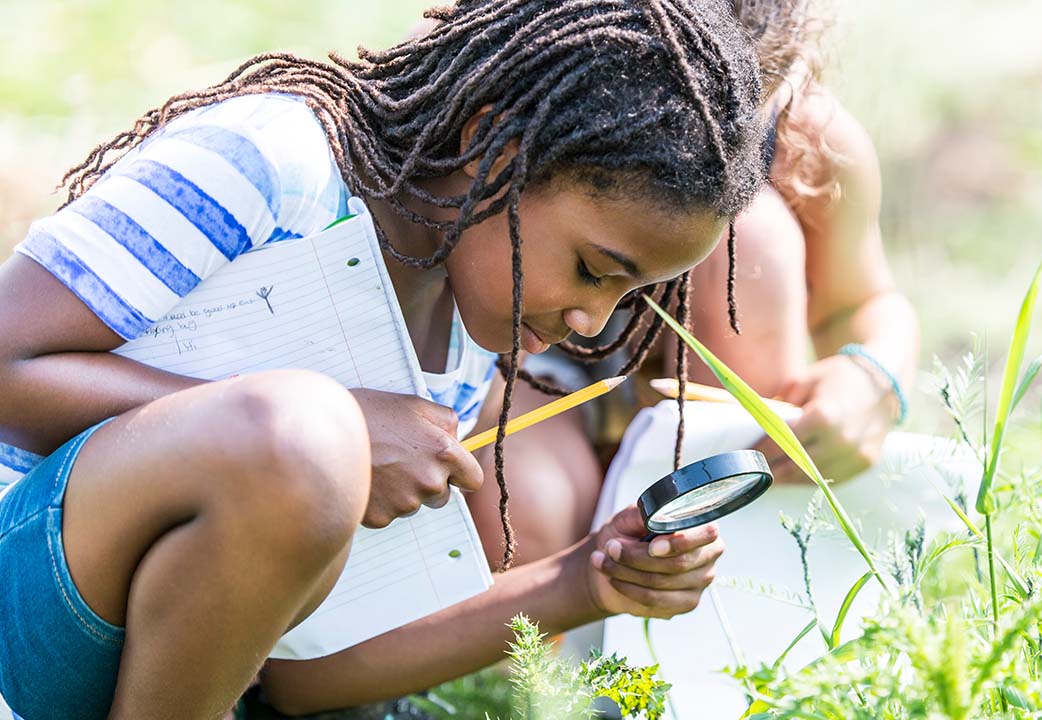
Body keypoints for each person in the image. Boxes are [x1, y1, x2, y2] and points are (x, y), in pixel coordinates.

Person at [0, 1, 768, 717]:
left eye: (628, 296)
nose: (589, 321)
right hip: (24, 592)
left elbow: (303, 673)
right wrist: (332, 432)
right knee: (303, 434)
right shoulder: (276, 160)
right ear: (493, 148)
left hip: (132, 672)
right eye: (594, 271)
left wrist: (585, 580)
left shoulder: (463, 341)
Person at [466, 0, 920, 569]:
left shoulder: (810, 138)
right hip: (526, 363)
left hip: (701, 390)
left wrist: (871, 379)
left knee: (750, 240)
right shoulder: (513, 59)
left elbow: (865, 302)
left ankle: (728, 572)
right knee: (524, 510)